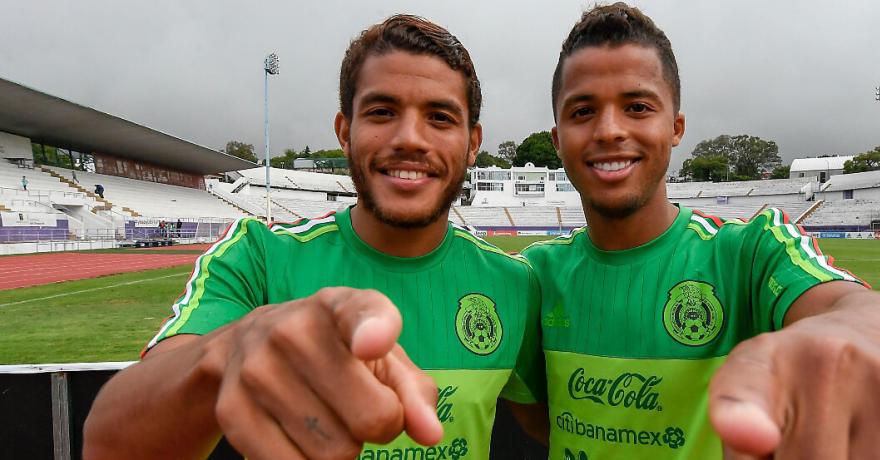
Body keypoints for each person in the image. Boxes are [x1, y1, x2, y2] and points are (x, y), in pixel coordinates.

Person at [521, 3, 880, 459]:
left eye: (637, 107)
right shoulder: (533, 276)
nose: (609, 130)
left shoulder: (750, 250)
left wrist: (852, 342)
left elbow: (870, 312)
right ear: (557, 139)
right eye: (583, 111)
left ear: (675, 127)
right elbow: (541, 415)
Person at [84, 15, 544, 460]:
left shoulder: (514, 282)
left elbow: (548, 421)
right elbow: (111, 444)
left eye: (440, 117)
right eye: (382, 112)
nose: (410, 138)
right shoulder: (258, 258)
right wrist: (226, 351)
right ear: (345, 132)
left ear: (473, 142)